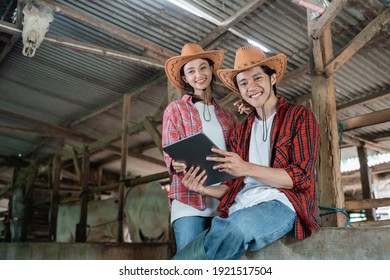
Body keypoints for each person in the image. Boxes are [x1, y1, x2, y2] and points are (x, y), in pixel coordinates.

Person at [173, 45, 320, 260]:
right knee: (224, 230)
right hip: (240, 206)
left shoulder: (298, 117)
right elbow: (233, 189)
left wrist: (245, 167)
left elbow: (301, 178)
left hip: (280, 203)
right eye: (243, 83)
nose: (251, 87)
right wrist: (204, 189)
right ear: (239, 90)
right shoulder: (240, 132)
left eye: (257, 78)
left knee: (234, 229)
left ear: (272, 79)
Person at [162, 43, 249, 252]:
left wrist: (251, 114)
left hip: (222, 202)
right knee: (190, 264)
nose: (198, 74)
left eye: (203, 67)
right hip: (189, 201)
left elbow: (241, 152)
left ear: (211, 70)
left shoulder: (228, 116)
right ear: (185, 78)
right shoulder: (176, 109)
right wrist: (176, 163)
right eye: (191, 71)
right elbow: (169, 150)